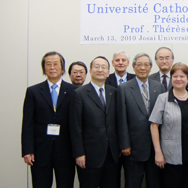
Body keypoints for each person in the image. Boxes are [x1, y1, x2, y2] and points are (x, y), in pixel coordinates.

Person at [21, 51, 76, 188]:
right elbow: (28, 123)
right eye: (48, 64)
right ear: (44, 68)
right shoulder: (33, 91)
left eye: (56, 64)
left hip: (66, 151)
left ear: (62, 68)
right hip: (40, 151)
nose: (52, 67)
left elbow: (77, 124)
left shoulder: (73, 91)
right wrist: (27, 150)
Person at [150, 62, 188, 188]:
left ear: (187, 78)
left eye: (182, 76)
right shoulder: (163, 98)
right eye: (175, 76)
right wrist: (158, 152)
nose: (179, 79)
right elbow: (154, 125)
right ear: (171, 78)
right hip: (171, 156)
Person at [69, 56, 119, 188]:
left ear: (109, 72)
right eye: (97, 67)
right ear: (90, 71)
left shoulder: (114, 93)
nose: (100, 70)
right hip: (89, 155)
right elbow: (75, 127)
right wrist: (79, 153)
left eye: (104, 67)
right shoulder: (79, 94)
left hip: (112, 154)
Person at [117, 53, 165, 188]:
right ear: (133, 67)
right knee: (133, 183)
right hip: (133, 148)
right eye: (139, 64)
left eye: (146, 65)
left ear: (150, 67)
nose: (142, 68)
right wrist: (125, 144)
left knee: (154, 183)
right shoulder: (124, 88)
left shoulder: (159, 87)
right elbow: (121, 118)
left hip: (155, 147)